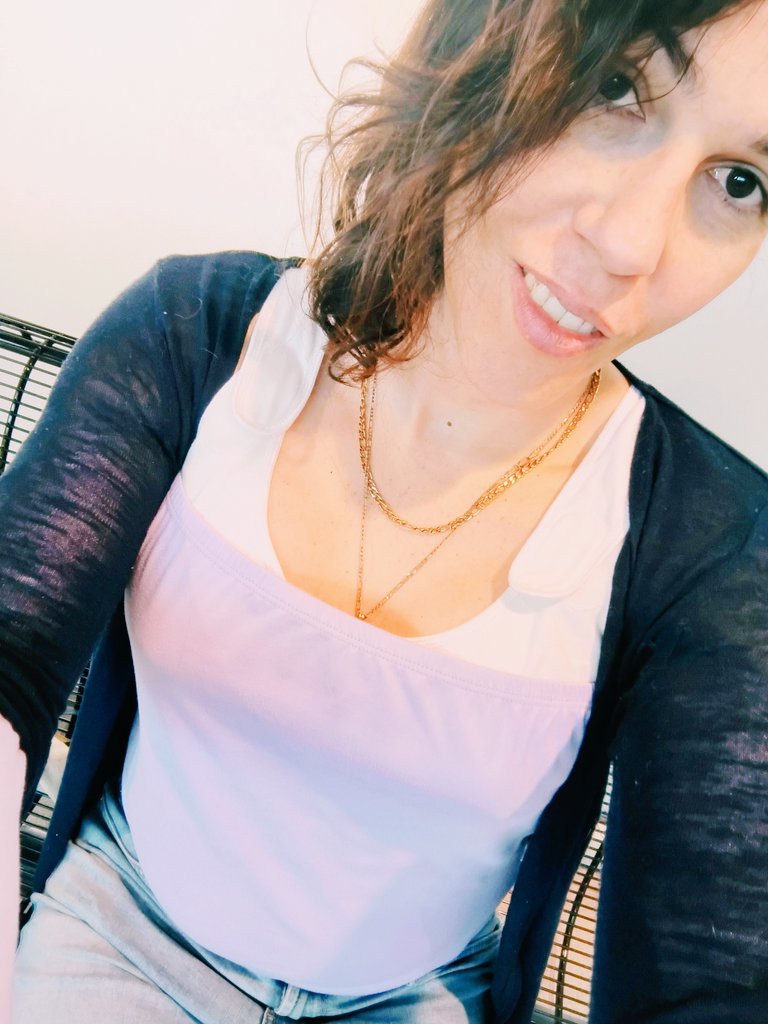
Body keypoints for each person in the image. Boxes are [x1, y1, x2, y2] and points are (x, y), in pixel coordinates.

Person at [2, 0, 768, 1021]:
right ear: (485, 43)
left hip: (415, 995)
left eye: (740, 181)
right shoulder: (195, 337)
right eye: (613, 85)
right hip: (123, 927)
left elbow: (710, 959)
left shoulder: (714, 550)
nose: (629, 243)